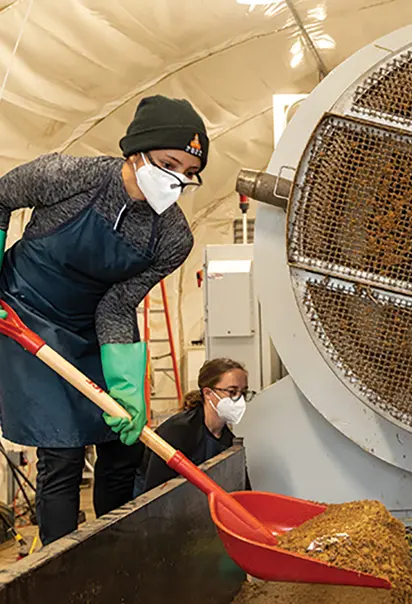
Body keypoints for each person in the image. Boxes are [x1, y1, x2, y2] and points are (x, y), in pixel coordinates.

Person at [0, 95, 208, 544]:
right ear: (137, 152)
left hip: (88, 326)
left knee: (122, 444)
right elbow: (1, 197)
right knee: (64, 449)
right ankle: (57, 564)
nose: (177, 180)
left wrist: (128, 391)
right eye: (169, 164)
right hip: (22, 312)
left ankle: (111, 552)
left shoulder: (173, 237)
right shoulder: (68, 176)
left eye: (189, 174)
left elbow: (116, 305)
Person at [135, 358, 253, 495]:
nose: (240, 399)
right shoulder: (177, 431)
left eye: (243, 392)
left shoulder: (228, 441)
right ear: (208, 393)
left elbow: (243, 489)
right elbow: (155, 492)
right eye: (232, 392)